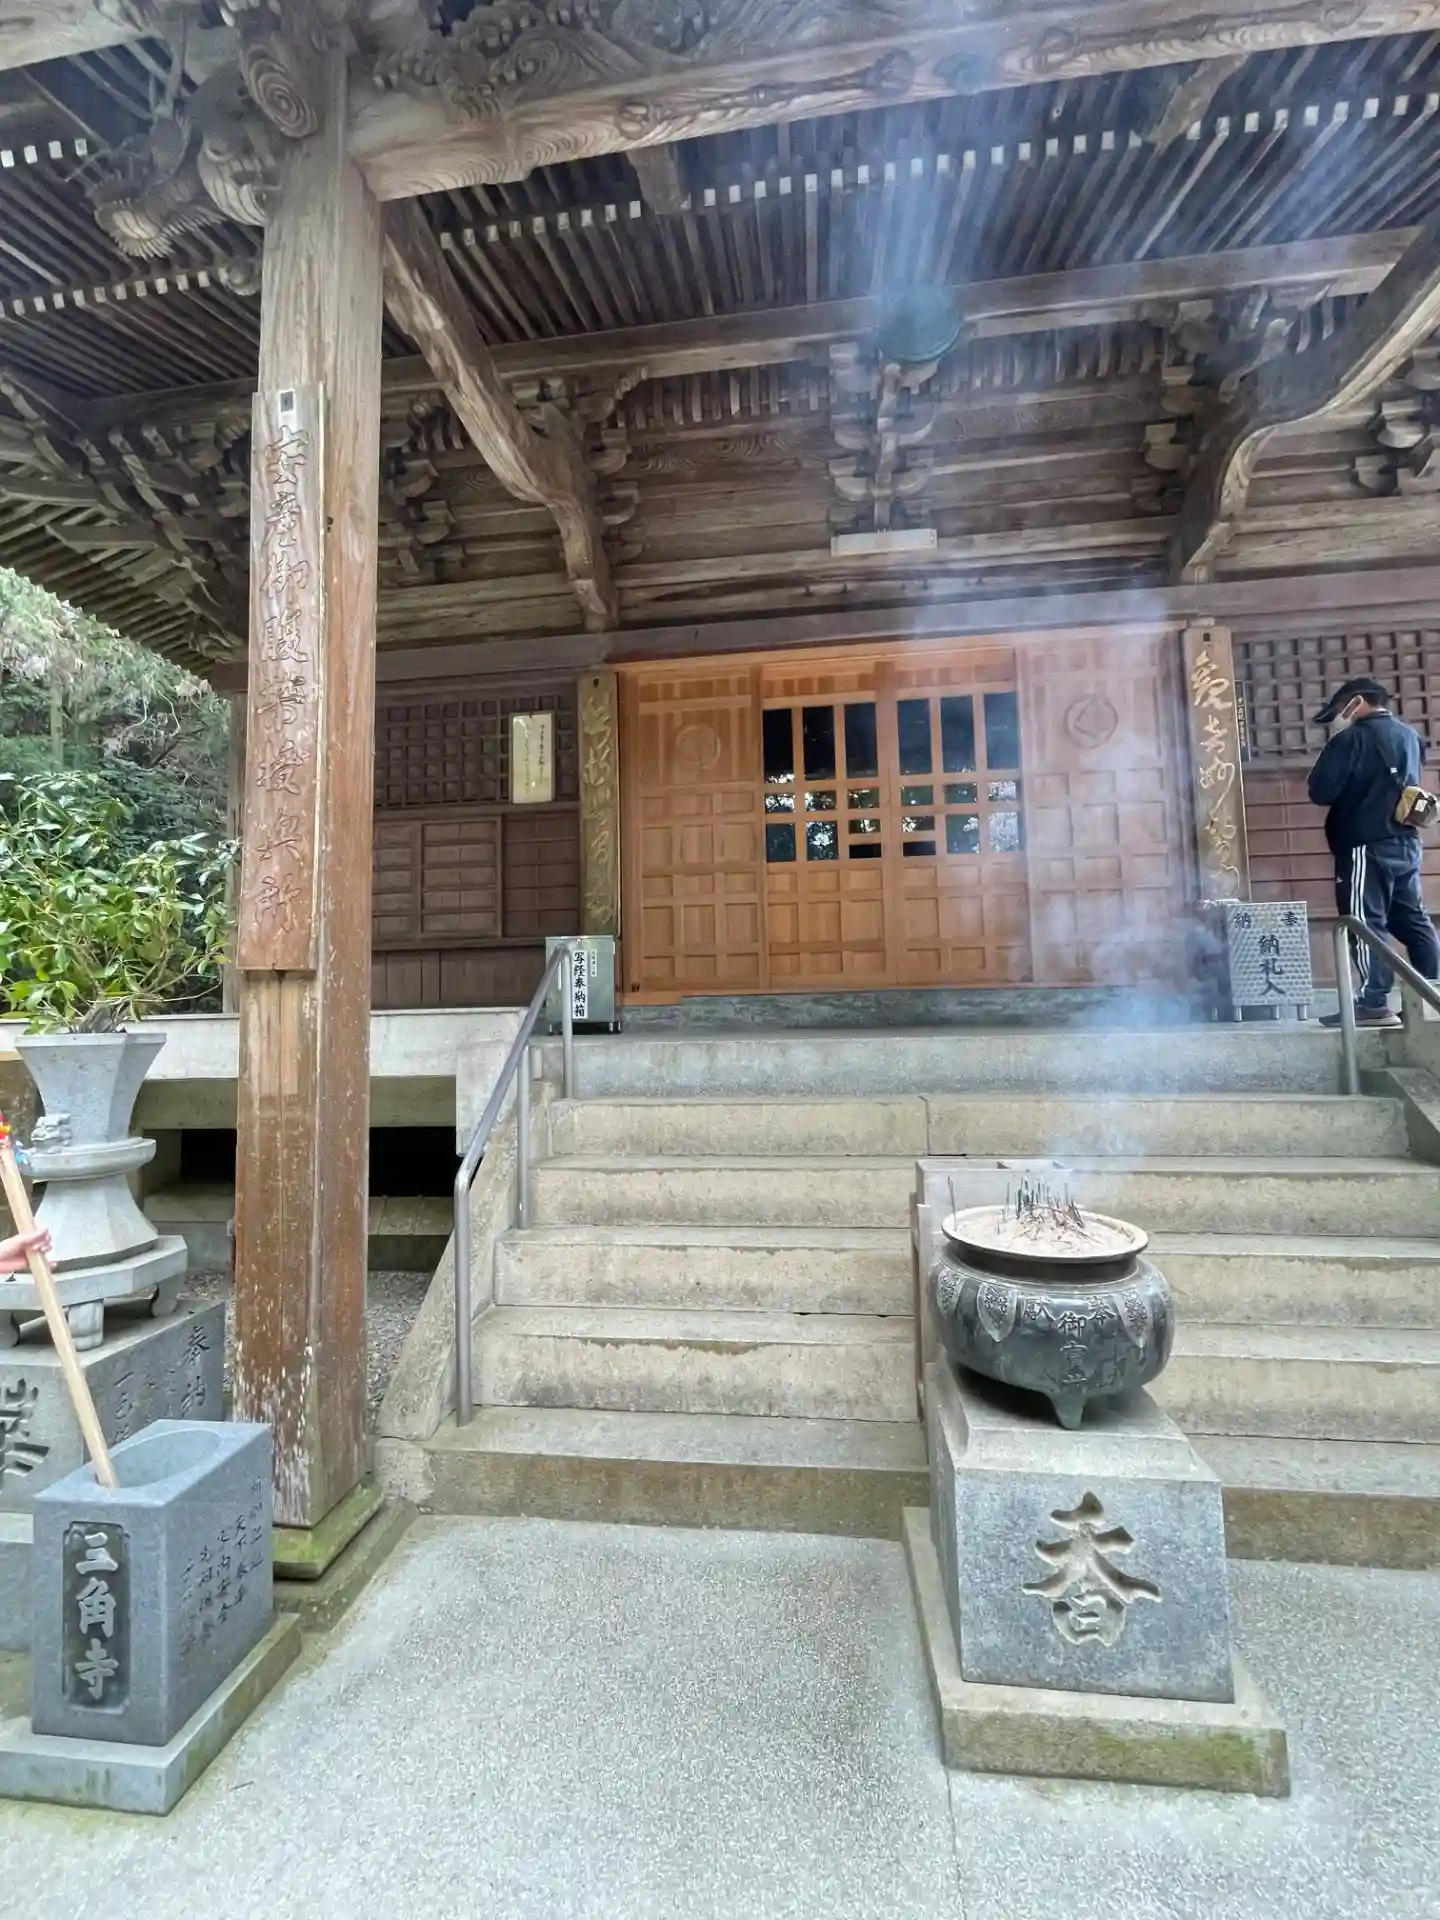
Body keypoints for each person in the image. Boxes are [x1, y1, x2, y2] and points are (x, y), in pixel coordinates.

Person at [1308, 676, 1439, 1028]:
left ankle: (1373, 1002)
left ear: (1356, 702)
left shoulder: (1351, 739)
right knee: (1413, 920)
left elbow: (1320, 791)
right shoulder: (1409, 735)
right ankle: (1432, 996)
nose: (1339, 716)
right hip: (1405, 841)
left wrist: (1335, 739)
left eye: (1341, 709)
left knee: (1364, 920)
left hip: (1365, 844)